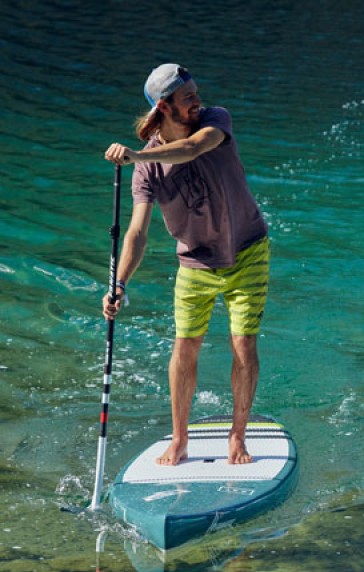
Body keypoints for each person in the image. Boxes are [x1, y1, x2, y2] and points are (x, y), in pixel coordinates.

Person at [103, 64, 270, 466]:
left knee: (243, 343)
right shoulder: (147, 171)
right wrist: (119, 284)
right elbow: (137, 233)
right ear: (164, 106)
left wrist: (137, 153)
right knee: (185, 346)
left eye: (196, 92)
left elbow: (193, 149)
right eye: (188, 97)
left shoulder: (216, 121)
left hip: (248, 250)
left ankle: (238, 436)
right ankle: (179, 440)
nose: (198, 101)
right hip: (195, 263)